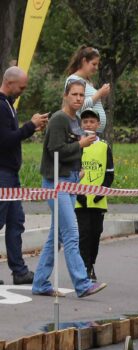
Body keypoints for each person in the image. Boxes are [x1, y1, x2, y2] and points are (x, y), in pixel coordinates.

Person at [32, 79, 105, 297]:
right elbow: (56, 150)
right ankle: (82, 283)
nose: (78, 98)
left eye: (81, 95)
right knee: (72, 232)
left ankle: (40, 283)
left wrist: (79, 166)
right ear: (66, 95)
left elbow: (70, 150)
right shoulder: (59, 119)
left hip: (71, 180)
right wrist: (80, 145)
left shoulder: (74, 120)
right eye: (74, 94)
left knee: (57, 236)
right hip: (57, 182)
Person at [0, 66, 47, 286]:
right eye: (21, 87)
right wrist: (30, 126)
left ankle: (19, 271)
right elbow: (6, 140)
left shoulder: (8, 105)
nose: (23, 91)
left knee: (16, 221)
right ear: (9, 83)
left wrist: (30, 126)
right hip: (2, 175)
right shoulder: (1, 107)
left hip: (11, 174)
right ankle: (18, 270)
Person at [74, 108, 114, 282]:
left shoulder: (104, 147)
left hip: (98, 201)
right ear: (81, 125)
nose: (88, 124)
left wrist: (101, 191)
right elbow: (70, 171)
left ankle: (91, 264)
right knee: (84, 234)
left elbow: (109, 173)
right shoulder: (76, 145)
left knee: (96, 234)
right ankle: (84, 267)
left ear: (98, 125)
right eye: (85, 122)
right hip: (80, 201)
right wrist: (78, 193)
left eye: (92, 121)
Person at [65, 45, 109, 132]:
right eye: (94, 64)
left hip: (93, 132)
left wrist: (102, 95)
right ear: (84, 61)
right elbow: (77, 106)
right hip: (84, 132)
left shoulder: (88, 81)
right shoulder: (74, 80)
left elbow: (91, 104)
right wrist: (99, 93)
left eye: (97, 65)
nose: (96, 68)